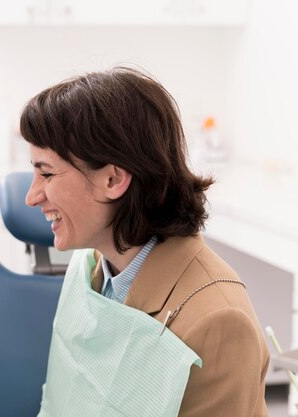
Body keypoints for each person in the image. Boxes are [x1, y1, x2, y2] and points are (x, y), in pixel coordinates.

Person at [21, 67, 269, 416]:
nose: (32, 196)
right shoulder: (91, 266)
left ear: (113, 179)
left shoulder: (219, 320)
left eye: (46, 173)